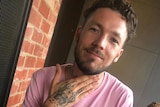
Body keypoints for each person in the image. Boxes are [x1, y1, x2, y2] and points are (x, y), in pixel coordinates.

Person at [23, 0, 138, 106]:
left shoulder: (121, 97)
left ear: (118, 54)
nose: (100, 43)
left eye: (114, 40)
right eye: (94, 30)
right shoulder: (42, 78)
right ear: (78, 34)